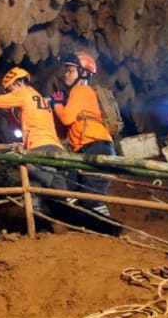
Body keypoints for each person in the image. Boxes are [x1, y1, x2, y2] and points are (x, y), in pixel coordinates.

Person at [0, 68, 67, 231]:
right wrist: (8, 115)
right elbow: (23, 124)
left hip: (39, 146)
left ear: (19, 82)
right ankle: (57, 230)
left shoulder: (23, 93)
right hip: (55, 146)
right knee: (48, 193)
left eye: (9, 89)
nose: (9, 93)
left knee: (37, 187)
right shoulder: (39, 98)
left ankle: (45, 228)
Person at [50, 52, 120, 233]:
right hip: (87, 148)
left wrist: (57, 104)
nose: (65, 74)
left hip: (95, 146)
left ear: (83, 73)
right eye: (66, 70)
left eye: (70, 70)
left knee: (92, 196)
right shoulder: (78, 95)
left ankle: (110, 232)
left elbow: (66, 119)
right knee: (72, 189)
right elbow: (65, 131)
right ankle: (83, 228)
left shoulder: (80, 91)